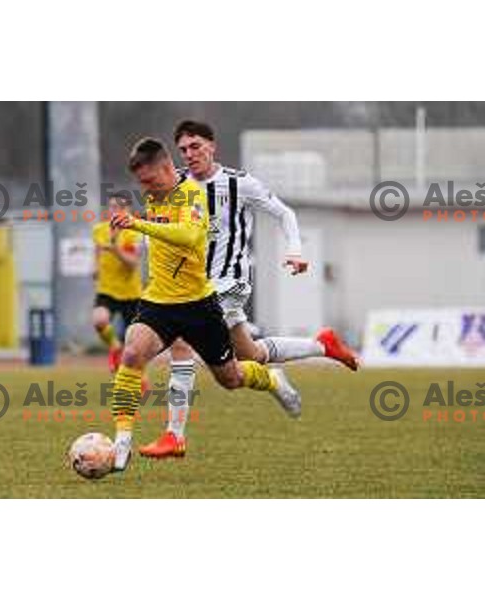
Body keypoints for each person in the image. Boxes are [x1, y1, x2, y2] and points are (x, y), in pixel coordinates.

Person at [140, 120, 358, 458]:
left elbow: (285, 214)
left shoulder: (240, 184)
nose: (190, 154)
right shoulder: (177, 185)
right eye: (183, 149)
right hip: (195, 284)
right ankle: (319, 348)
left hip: (230, 281)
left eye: (195, 146)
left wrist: (296, 250)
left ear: (212, 146)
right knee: (248, 358)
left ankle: (174, 436)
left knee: (181, 340)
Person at [108, 138, 301, 472]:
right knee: (131, 354)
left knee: (231, 378)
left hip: (199, 305)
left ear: (167, 169)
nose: (147, 189)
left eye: (151, 181)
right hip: (159, 302)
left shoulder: (193, 194)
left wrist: (137, 224)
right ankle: (121, 442)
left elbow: (189, 236)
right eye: (141, 184)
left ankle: (272, 380)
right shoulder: (155, 195)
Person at [92, 194, 143, 373]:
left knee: (135, 347)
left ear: (127, 210)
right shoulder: (99, 229)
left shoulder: (135, 232)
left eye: (119, 207)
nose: (114, 211)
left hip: (131, 293)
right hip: (107, 289)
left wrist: (115, 250)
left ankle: (140, 380)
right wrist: (96, 268)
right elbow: (98, 249)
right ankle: (114, 346)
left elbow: (132, 263)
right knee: (99, 320)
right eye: (112, 207)